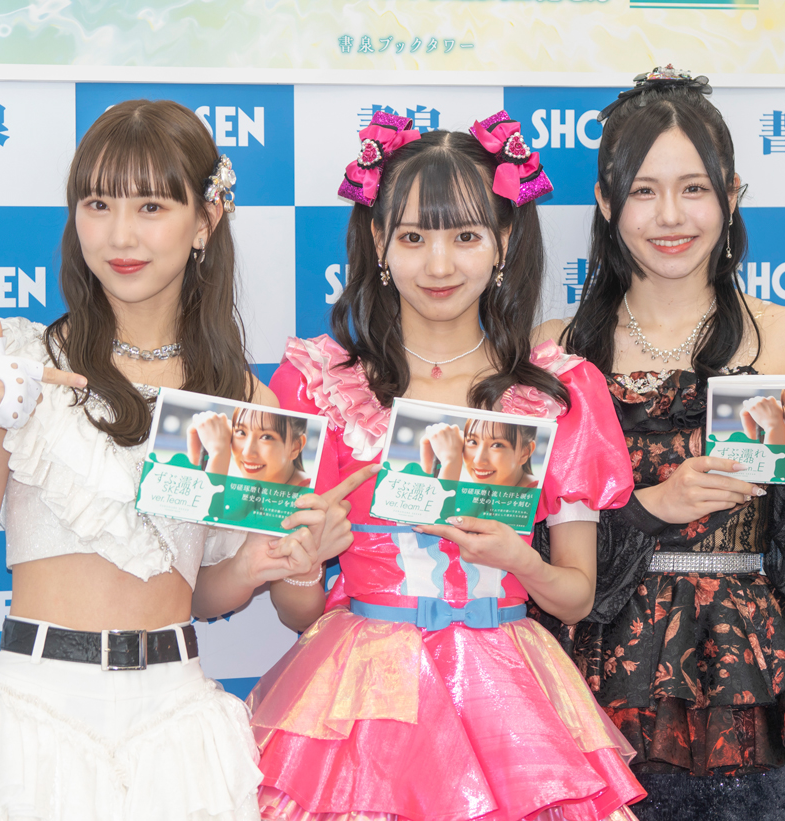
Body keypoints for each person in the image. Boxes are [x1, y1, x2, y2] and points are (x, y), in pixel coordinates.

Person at [0, 99, 359, 821]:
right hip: (33, 715)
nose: (121, 235)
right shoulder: (20, 363)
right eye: (98, 204)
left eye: (151, 206)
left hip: (176, 724)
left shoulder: (240, 398)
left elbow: (207, 595)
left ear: (206, 220)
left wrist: (284, 561)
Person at [532, 67, 785, 821]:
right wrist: (649, 507)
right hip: (585, 673)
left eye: (694, 188)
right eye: (643, 191)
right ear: (606, 203)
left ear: (732, 194)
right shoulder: (556, 350)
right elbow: (526, 551)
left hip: (738, 681)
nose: (670, 216)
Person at [246, 110, 645, 821]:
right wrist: (305, 561)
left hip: (507, 687)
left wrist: (519, 561)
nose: (438, 265)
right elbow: (296, 611)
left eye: (465, 236)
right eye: (412, 237)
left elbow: (576, 597)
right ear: (378, 242)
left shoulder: (561, 390)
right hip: (362, 693)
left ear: (504, 242)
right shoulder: (318, 385)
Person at [463, 419, 539, 488]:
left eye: (497, 445)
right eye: (472, 442)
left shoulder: (539, 496)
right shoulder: (485, 492)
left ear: (525, 452)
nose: (478, 461)